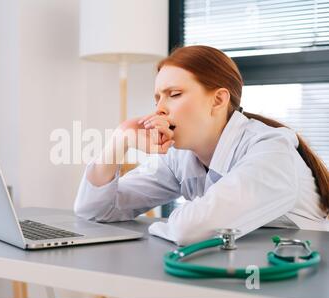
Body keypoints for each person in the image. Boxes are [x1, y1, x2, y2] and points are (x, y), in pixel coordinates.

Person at [74, 45, 329, 245]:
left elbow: (190, 229)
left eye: (174, 94)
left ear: (218, 100)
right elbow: (94, 210)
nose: (160, 108)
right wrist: (119, 140)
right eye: (157, 98)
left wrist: (157, 228)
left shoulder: (270, 149)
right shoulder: (181, 158)